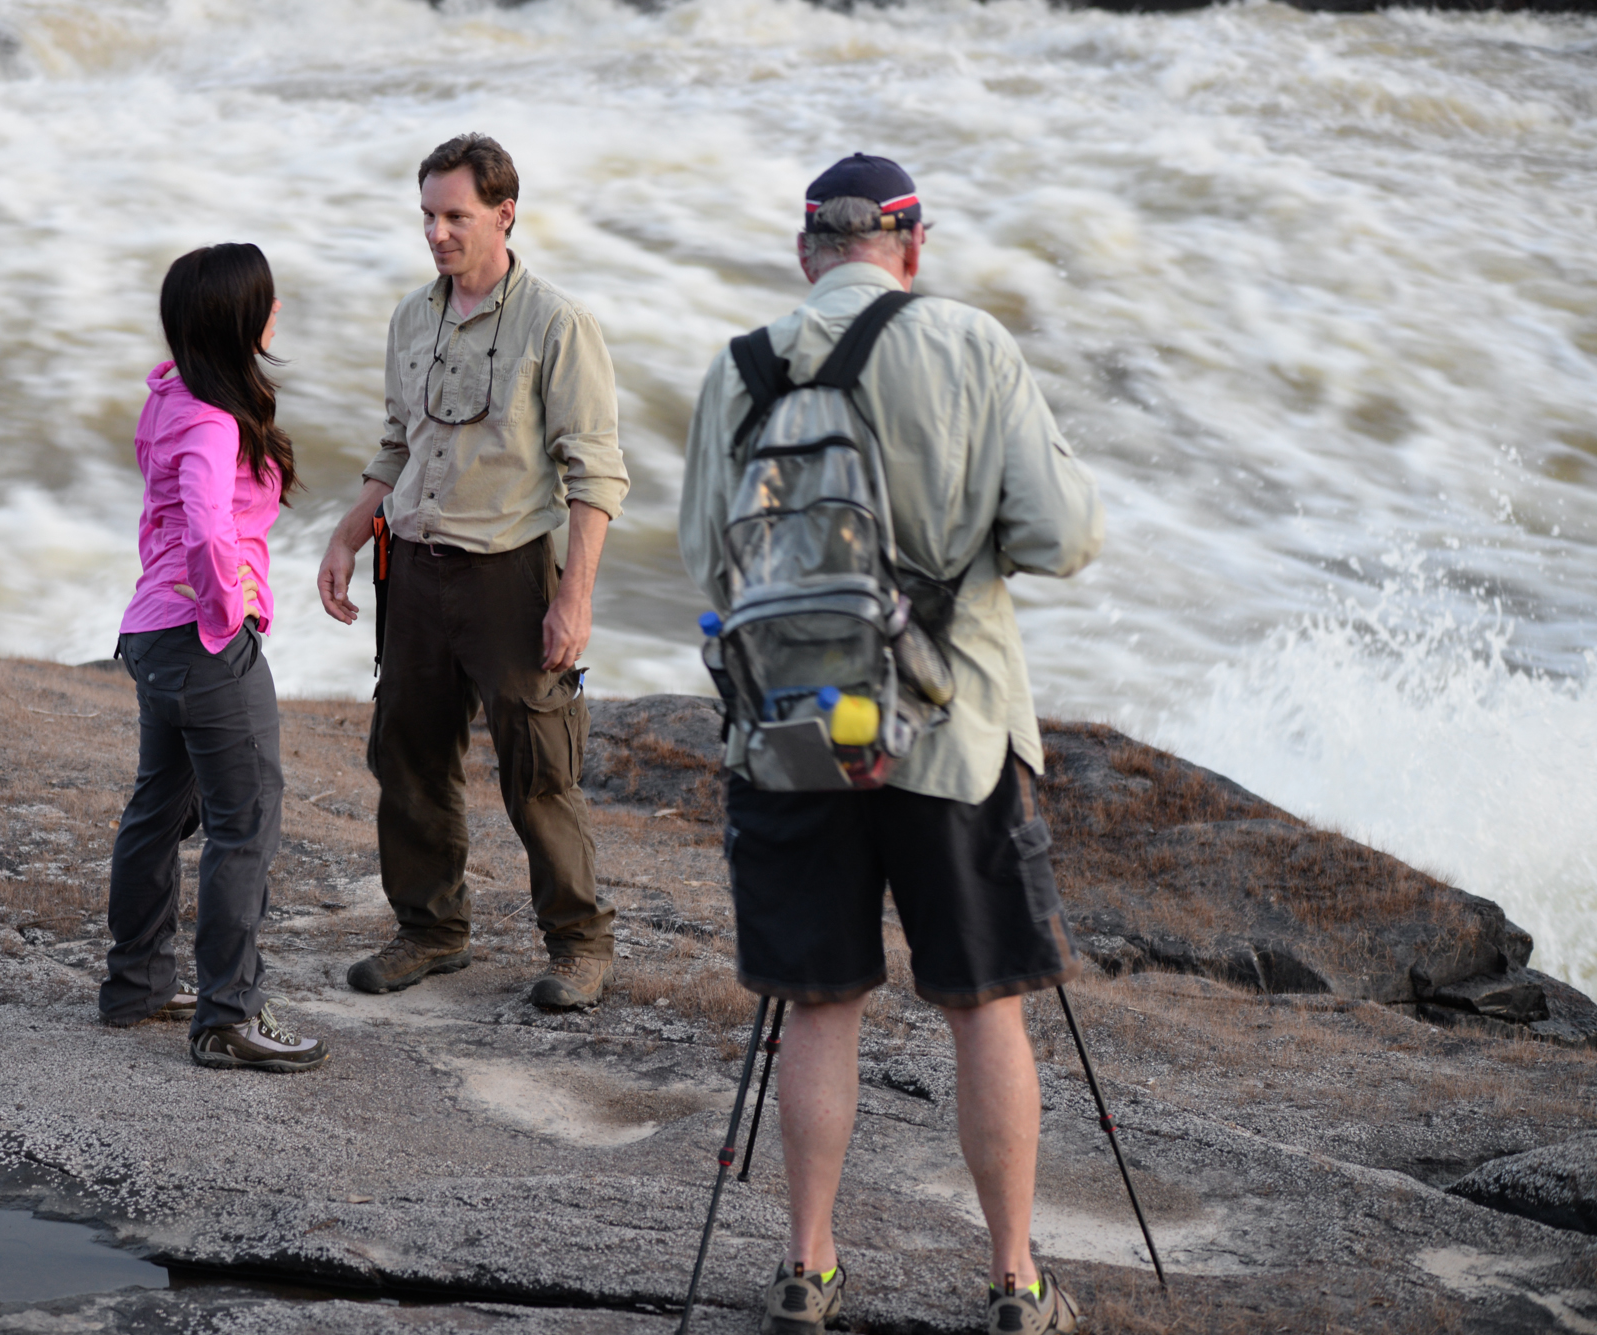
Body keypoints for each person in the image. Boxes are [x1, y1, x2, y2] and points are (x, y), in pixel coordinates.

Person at [678, 155, 1104, 1334]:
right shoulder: (970, 345)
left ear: (805, 247)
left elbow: (701, 558)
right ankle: (1014, 1282)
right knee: (984, 1006)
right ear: (909, 247)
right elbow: (1060, 537)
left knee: (817, 1004)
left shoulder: (738, 366)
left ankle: (806, 1269)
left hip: (787, 739)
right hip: (950, 732)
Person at [317, 134, 629, 1010]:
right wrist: (348, 534)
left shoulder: (558, 325)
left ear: (505, 212)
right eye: (427, 215)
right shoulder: (411, 318)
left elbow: (594, 473)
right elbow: (394, 447)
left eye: (455, 215)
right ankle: (431, 932)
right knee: (408, 754)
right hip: (412, 568)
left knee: (538, 767)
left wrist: (575, 597)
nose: (437, 232)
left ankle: (578, 946)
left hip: (510, 574)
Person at [100, 242, 329, 1074]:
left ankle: (136, 985)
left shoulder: (170, 397)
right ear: (241, 319)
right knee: (245, 822)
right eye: (268, 302)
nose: (277, 314)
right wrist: (227, 616)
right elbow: (202, 524)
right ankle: (229, 1015)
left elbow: (162, 517)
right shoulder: (214, 417)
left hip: (150, 634)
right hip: (200, 640)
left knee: (158, 810)